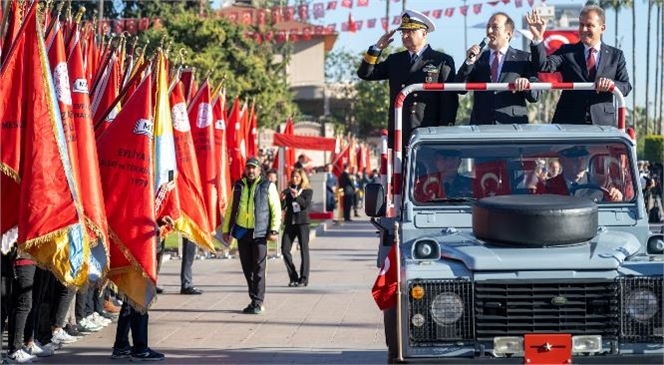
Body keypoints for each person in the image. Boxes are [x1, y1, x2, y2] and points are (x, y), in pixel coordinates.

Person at [357, 9, 458, 150]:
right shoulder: (395, 60)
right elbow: (366, 74)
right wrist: (377, 48)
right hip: (399, 131)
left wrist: (443, 133)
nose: (405, 35)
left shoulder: (440, 60)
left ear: (424, 33)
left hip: (427, 132)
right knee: (400, 172)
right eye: (403, 32)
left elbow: (449, 101)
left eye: (410, 31)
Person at [526, 5, 632, 125]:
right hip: (569, 121)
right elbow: (543, 66)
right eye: (581, 25)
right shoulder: (567, 51)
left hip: (602, 122)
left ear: (602, 28)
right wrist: (538, 37)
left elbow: (626, 86)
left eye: (590, 25)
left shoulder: (616, 55)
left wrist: (611, 84)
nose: (584, 29)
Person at [456, 12, 540, 124]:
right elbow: (459, 88)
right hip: (481, 124)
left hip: (512, 125)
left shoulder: (523, 58)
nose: (489, 31)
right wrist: (470, 61)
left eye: (495, 27)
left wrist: (526, 85)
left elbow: (535, 96)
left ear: (509, 33)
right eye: (488, 27)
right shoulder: (479, 59)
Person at [222, 157, 281, 315]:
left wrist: (274, 229)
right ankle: (254, 298)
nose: (251, 171)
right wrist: (227, 229)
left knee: (259, 268)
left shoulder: (267, 186)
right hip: (242, 232)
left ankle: (257, 301)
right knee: (247, 268)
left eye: (254, 168)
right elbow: (230, 209)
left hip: (259, 232)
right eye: (248, 168)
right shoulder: (239, 186)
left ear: (259, 170)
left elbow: (275, 209)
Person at [111, 215, 173, 362]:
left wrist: (159, 219)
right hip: (139, 245)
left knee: (130, 298)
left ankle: (121, 345)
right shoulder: (139, 191)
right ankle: (140, 348)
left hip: (134, 240)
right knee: (139, 298)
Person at [538, 146, 623, 201]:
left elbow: (612, 209)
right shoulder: (549, 186)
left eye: (583, 157)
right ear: (562, 161)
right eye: (574, 158)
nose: (580, 162)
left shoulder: (601, 183)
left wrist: (616, 197)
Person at [280, 169, 313, 287]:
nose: (295, 179)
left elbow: (305, 205)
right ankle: (293, 276)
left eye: (297, 177)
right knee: (284, 249)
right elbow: (283, 207)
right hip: (290, 223)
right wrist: (282, 199)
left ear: (302, 178)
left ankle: (304, 278)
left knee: (304, 250)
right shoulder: (288, 190)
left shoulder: (307, 191)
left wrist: (297, 196)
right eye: (293, 176)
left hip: (302, 223)